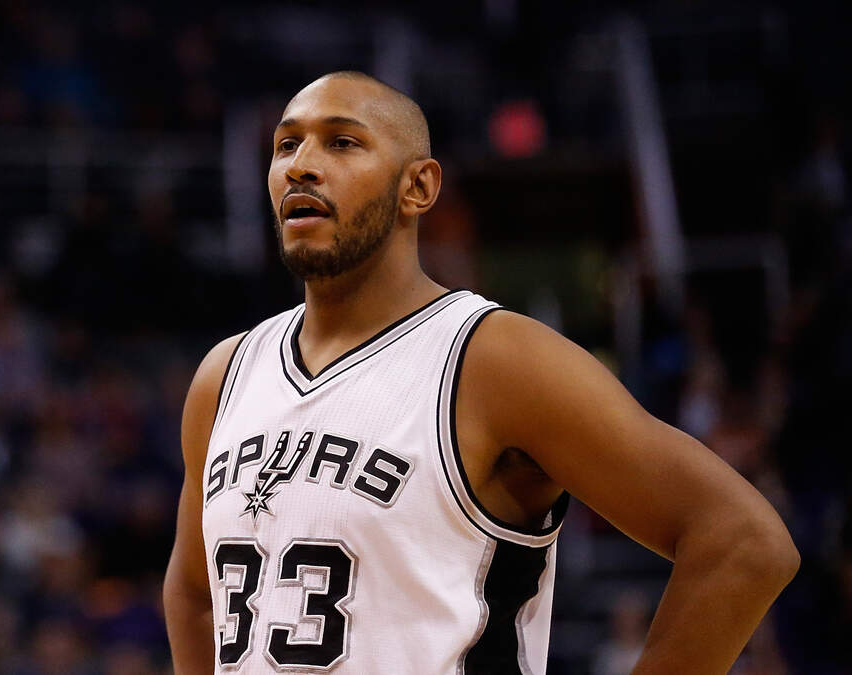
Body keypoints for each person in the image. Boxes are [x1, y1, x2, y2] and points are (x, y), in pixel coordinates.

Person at [162, 71, 798, 674]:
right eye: (286, 144)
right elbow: (194, 595)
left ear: (418, 187)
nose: (301, 164)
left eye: (342, 142)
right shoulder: (225, 375)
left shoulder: (495, 360)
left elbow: (743, 541)